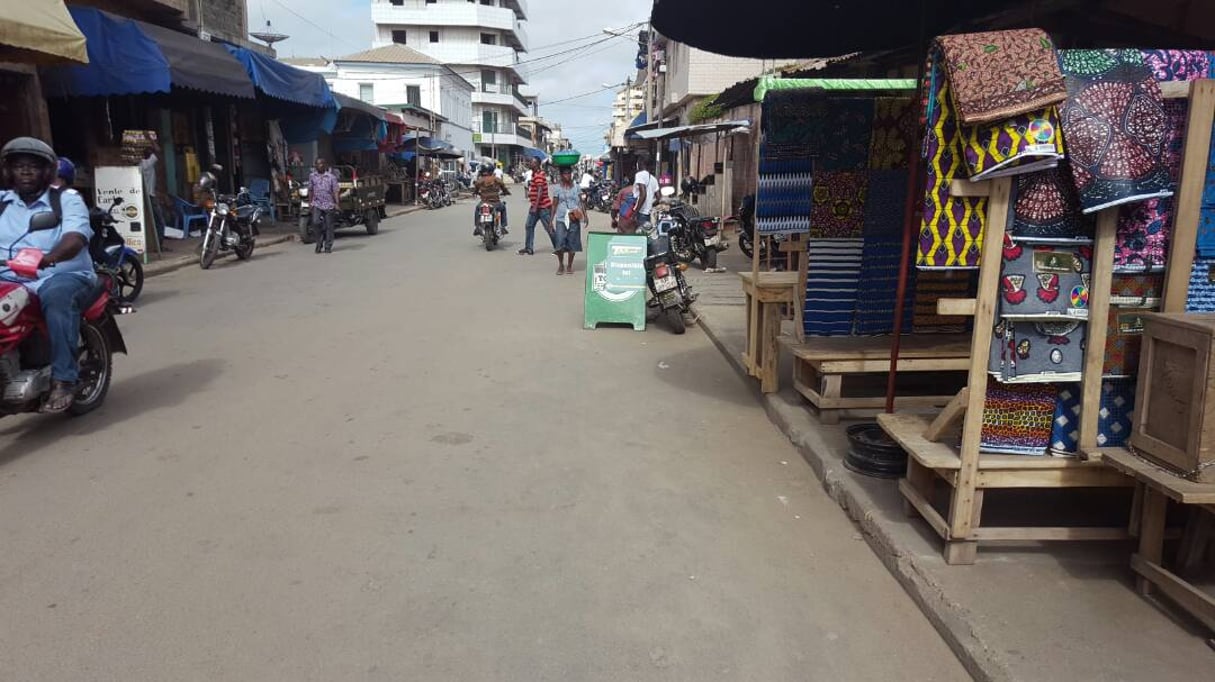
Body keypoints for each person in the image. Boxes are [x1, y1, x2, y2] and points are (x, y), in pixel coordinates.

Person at [0, 137, 96, 413]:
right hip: (9, 278)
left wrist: (50, 257)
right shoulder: (3, 203)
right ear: (9, 172)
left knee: (56, 297)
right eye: (19, 166)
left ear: (47, 171)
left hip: (59, 275)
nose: (26, 172)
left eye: (33, 166)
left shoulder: (66, 199)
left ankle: (64, 379)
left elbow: (76, 237)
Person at [551, 166, 585, 275]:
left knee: (573, 243)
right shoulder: (557, 188)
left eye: (569, 173)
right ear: (561, 175)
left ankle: (569, 265)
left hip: (574, 217)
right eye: (565, 174)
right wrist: (550, 220)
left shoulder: (576, 187)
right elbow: (554, 204)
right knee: (559, 242)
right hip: (561, 218)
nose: (568, 175)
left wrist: (585, 215)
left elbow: (581, 202)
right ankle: (561, 264)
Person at [519, 158, 553, 256]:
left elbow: (540, 192)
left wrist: (535, 207)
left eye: (532, 162)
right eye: (530, 162)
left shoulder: (538, 175)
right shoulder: (534, 174)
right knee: (529, 226)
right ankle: (529, 248)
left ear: (537, 164)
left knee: (549, 228)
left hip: (542, 207)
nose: (530, 163)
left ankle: (559, 247)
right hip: (536, 206)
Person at [308, 158, 340, 254]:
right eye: (318, 164)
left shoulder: (331, 177)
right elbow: (310, 189)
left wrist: (337, 203)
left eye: (322, 163)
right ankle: (319, 242)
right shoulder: (312, 176)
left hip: (329, 204)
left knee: (329, 226)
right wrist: (310, 203)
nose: (320, 165)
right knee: (316, 222)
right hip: (317, 203)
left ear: (325, 165)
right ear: (315, 166)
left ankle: (328, 246)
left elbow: (335, 191)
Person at [472, 164, 509, 237]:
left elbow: (476, 188)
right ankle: (503, 227)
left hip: (484, 203)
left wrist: (476, 192)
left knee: (477, 209)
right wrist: (505, 192)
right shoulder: (496, 179)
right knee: (503, 208)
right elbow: (503, 185)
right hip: (496, 203)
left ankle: (477, 227)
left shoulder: (480, 180)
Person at [633, 158, 660, 229]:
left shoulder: (639, 175)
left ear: (640, 164)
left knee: (639, 236)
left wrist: (635, 212)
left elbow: (643, 194)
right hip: (648, 213)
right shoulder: (654, 179)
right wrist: (650, 205)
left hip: (641, 213)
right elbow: (658, 198)